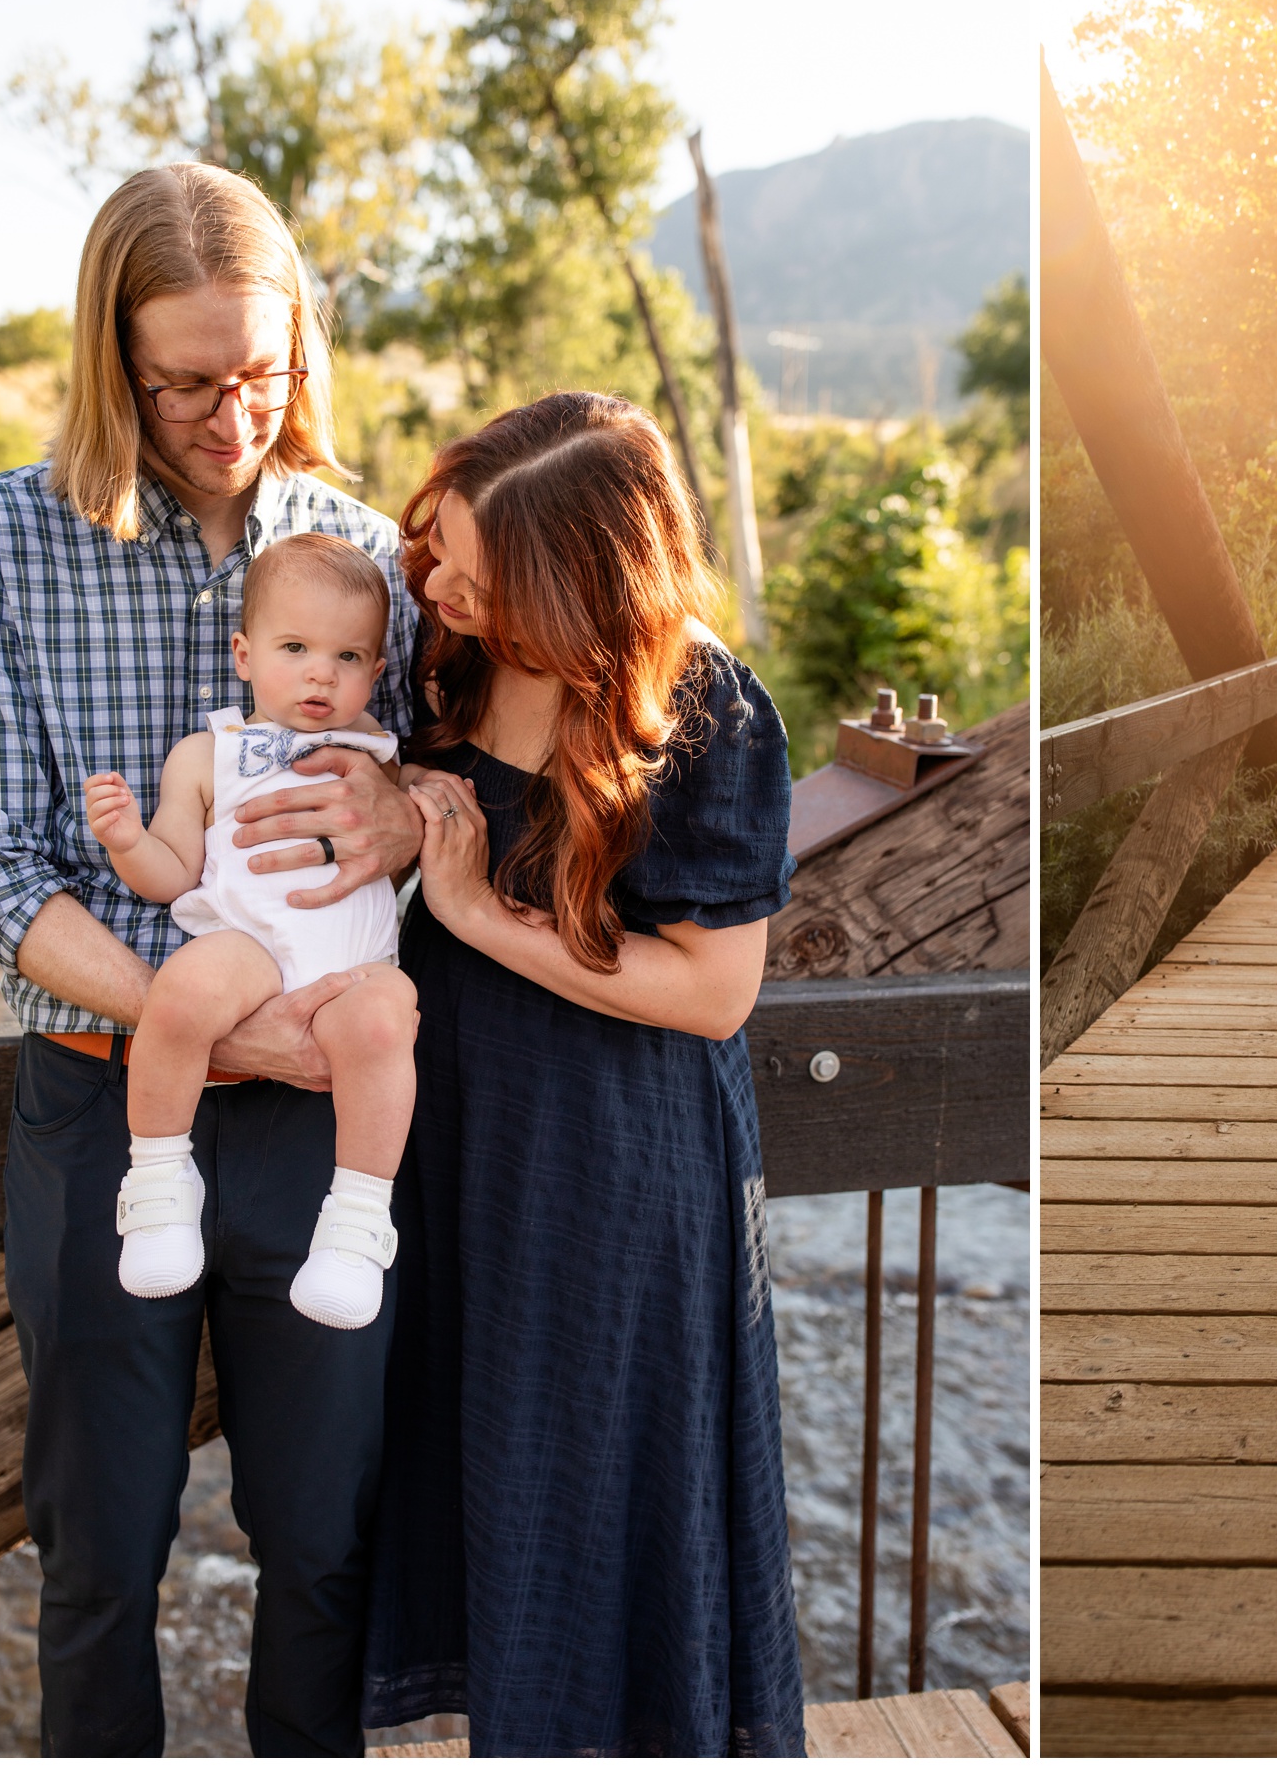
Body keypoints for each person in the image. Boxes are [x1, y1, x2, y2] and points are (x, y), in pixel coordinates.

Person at [0, 163, 423, 1753]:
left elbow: (467, 778)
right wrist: (209, 1028)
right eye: (187, 380)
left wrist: (409, 818)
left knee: (328, 1544)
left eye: (261, 371)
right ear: (112, 357)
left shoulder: (369, 550)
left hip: (320, 1128)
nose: (230, 412)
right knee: (100, 1557)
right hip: (101, 1103)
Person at [361, 392, 806, 1755]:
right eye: (439, 547)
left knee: (596, 1498)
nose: (436, 584)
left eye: (479, 576)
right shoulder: (442, 658)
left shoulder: (704, 704)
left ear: (577, 581)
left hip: (612, 1163)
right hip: (451, 1149)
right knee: (466, 1484)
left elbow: (717, 992)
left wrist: (482, 914)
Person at [83, 533, 419, 1328]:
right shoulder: (207, 755)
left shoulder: (380, 756)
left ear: (375, 673)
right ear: (244, 654)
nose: (318, 672)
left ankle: (357, 1222)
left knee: (385, 1022)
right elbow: (173, 874)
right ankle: (161, 1181)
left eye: (347, 656)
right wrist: (129, 841)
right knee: (181, 991)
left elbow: (416, 842)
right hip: (249, 949)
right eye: (295, 647)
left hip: (353, 964)